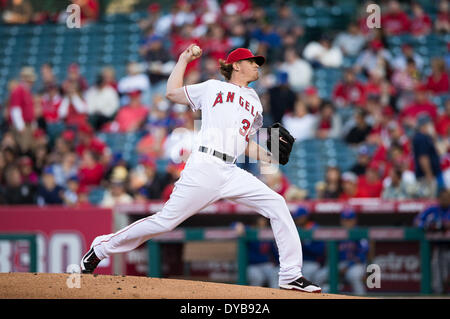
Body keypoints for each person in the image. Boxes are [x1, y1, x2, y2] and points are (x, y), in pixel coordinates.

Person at [81, 45, 322, 293]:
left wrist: (268, 155)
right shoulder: (212, 87)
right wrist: (184, 59)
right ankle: (101, 247)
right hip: (205, 166)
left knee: (277, 204)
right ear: (236, 65)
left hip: (231, 170)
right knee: (165, 222)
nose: (256, 65)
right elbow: (172, 93)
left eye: (257, 62)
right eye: (251, 61)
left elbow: (244, 142)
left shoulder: (255, 101)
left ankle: (291, 275)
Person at [315, 209, 369, 295]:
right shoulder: (338, 233)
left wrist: (348, 266)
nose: (347, 222)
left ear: (354, 220)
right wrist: (333, 266)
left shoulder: (359, 232)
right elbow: (330, 253)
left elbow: (362, 255)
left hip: (355, 265)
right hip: (338, 264)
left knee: (353, 276)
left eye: (349, 220)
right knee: (319, 276)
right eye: (345, 220)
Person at [414, 189, 450, 294]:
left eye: (447, 198)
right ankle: (438, 292)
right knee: (436, 269)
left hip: (449, 246)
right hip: (437, 247)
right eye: (443, 198)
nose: (445, 200)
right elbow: (417, 221)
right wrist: (428, 225)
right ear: (439, 199)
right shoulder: (433, 209)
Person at [412, 114, 444, 198]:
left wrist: (434, 137)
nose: (431, 126)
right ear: (423, 125)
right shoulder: (421, 138)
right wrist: (428, 174)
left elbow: (440, 151)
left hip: (432, 175)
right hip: (426, 176)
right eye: (429, 124)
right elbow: (423, 158)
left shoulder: (427, 137)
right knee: (430, 200)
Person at [292, 207, 326, 286]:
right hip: (297, 263)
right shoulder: (296, 229)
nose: (297, 220)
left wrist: (304, 245)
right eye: (296, 218)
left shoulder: (315, 228)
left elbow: (320, 251)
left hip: (313, 262)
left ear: (305, 217)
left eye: (299, 218)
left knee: (306, 273)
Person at [8, 66, 36, 153]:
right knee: (23, 148)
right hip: (23, 125)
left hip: (27, 124)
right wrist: (20, 126)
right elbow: (15, 109)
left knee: (28, 147)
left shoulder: (26, 91)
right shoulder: (18, 91)